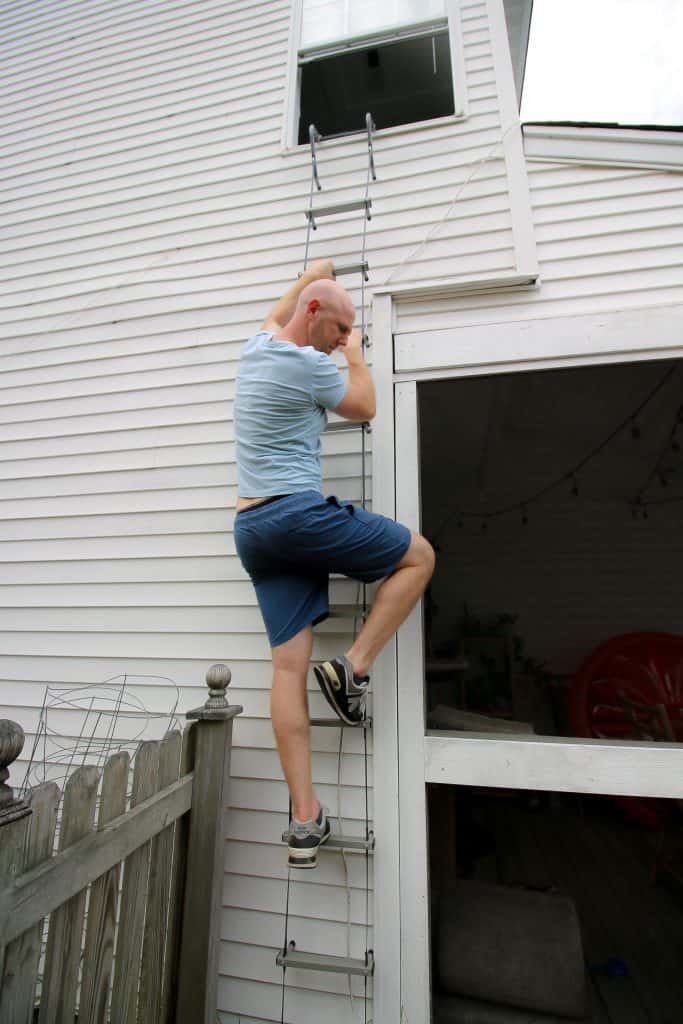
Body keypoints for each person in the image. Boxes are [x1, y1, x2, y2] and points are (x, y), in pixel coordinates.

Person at [234, 259, 435, 868]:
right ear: (316, 316)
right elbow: (367, 406)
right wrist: (359, 356)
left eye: (351, 334)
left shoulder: (259, 346)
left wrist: (311, 274)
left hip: (252, 529)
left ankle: (303, 819)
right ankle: (354, 668)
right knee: (420, 557)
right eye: (341, 328)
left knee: (288, 668)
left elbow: (279, 311)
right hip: (294, 516)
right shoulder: (310, 366)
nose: (345, 339)